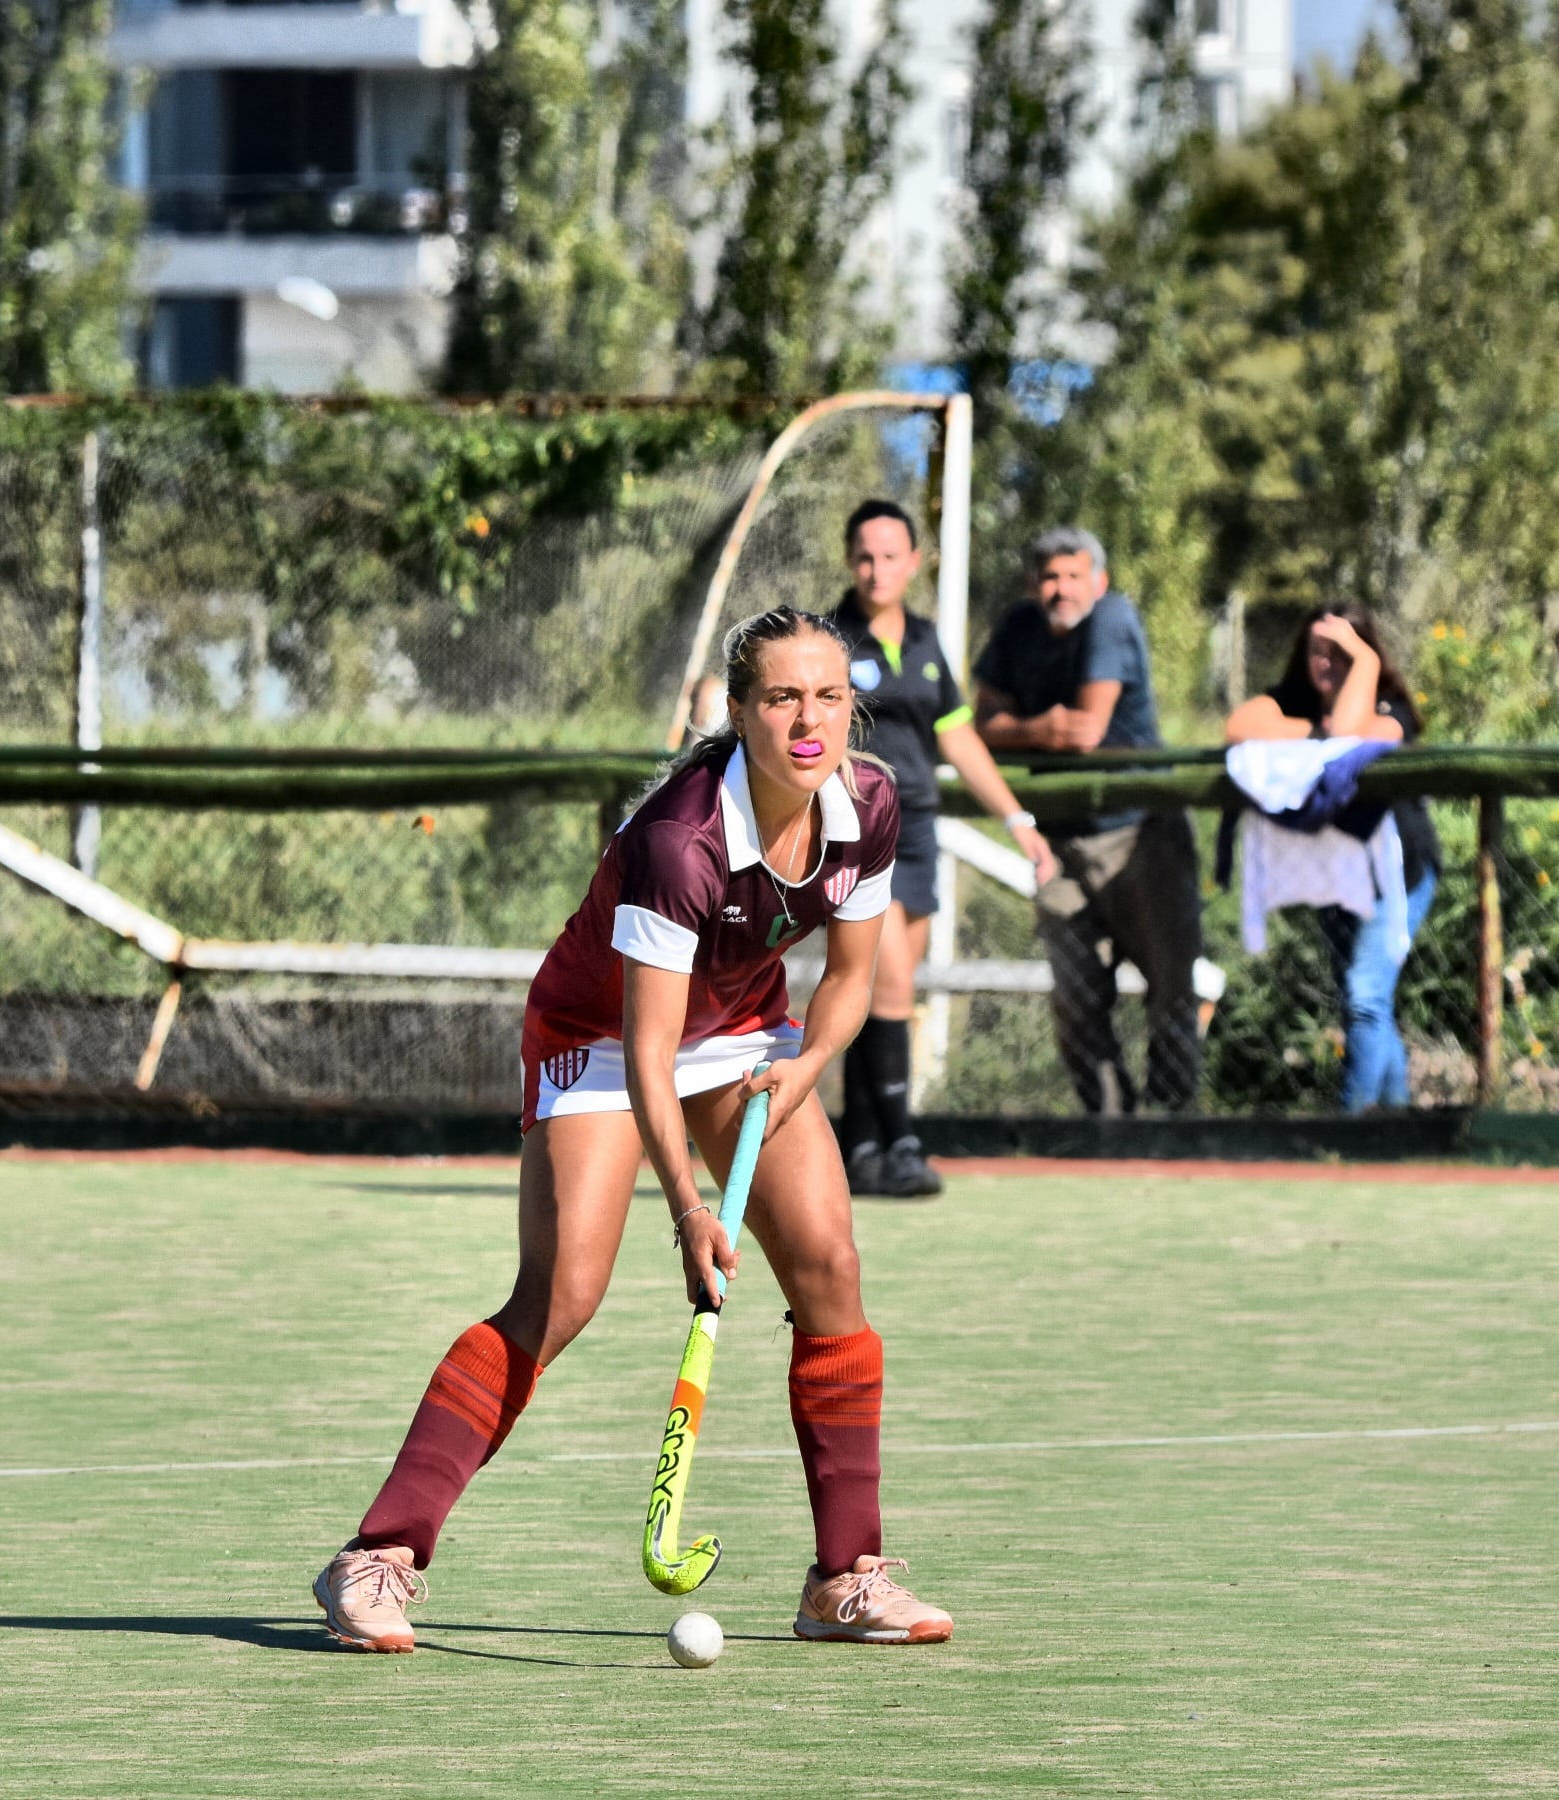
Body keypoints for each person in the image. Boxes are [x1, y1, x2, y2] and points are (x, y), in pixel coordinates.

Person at [311, 605, 953, 1653]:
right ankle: (376, 1558)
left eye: (829, 696)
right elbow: (647, 1052)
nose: (809, 719)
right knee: (562, 1292)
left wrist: (800, 1073)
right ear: (740, 712)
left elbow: (850, 979)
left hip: (743, 1030)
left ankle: (846, 1579)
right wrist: (691, 1210)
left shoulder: (867, 802)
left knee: (830, 1266)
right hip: (602, 1037)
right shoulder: (681, 841)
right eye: (783, 697)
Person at [828, 499, 1056, 1196]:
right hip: (854, 830)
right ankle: (903, 1141)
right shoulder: (827, 639)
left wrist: (1017, 818)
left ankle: (859, 1144)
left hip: (919, 832)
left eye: (891, 555)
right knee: (889, 979)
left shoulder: (926, 641)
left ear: (914, 563)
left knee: (880, 991)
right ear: (849, 561)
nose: (877, 569)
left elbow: (958, 738)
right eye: (865, 556)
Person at [972, 527, 1203, 1115]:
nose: (1061, 589)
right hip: (1059, 843)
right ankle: (1108, 1124)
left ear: (1098, 582)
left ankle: (1170, 1123)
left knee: (1170, 985)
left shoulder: (1113, 618)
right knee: (1074, 998)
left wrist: (1027, 731)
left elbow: (1086, 730)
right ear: (1032, 583)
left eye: (1074, 576)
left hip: (1141, 835)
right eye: (1050, 577)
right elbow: (982, 726)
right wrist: (1044, 727)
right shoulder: (1016, 629)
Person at [1225, 603, 1441, 1110]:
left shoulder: (1392, 711)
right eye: (1315, 651)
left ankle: (1354, 1131)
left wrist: (1361, 666)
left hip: (1398, 873)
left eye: (1340, 652)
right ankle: (1395, 1125)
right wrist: (1311, 731)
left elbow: (1350, 735)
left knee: (1365, 995)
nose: (1326, 663)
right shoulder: (1294, 705)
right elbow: (1240, 727)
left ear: (1367, 653)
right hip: (1335, 873)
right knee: (1362, 1003)